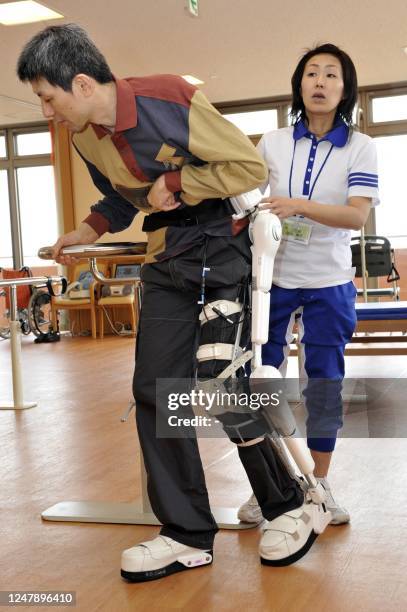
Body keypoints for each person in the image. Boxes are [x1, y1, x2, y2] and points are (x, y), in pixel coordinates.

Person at [17, 24, 328, 582]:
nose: (47, 110)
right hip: (168, 258)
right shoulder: (85, 135)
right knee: (153, 390)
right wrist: (83, 227)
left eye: (48, 96)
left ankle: (288, 505)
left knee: (221, 382)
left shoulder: (170, 98)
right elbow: (118, 197)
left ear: (82, 83)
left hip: (223, 246)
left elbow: (247, 167)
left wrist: (180, 183)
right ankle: (186, 531)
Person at [238, 43, 379, 526]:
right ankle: (270, 485)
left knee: (324, 386)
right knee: (262, 386)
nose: (320, 82)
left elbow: (357, 215)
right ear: (299, 85)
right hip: (271, 280)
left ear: (345, 89)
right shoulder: (272, 141)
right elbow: (248, 198)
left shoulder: (361, 146)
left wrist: (297, 205)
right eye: (311, 74)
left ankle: (319, 485)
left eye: (331, 75)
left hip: (329, 280)